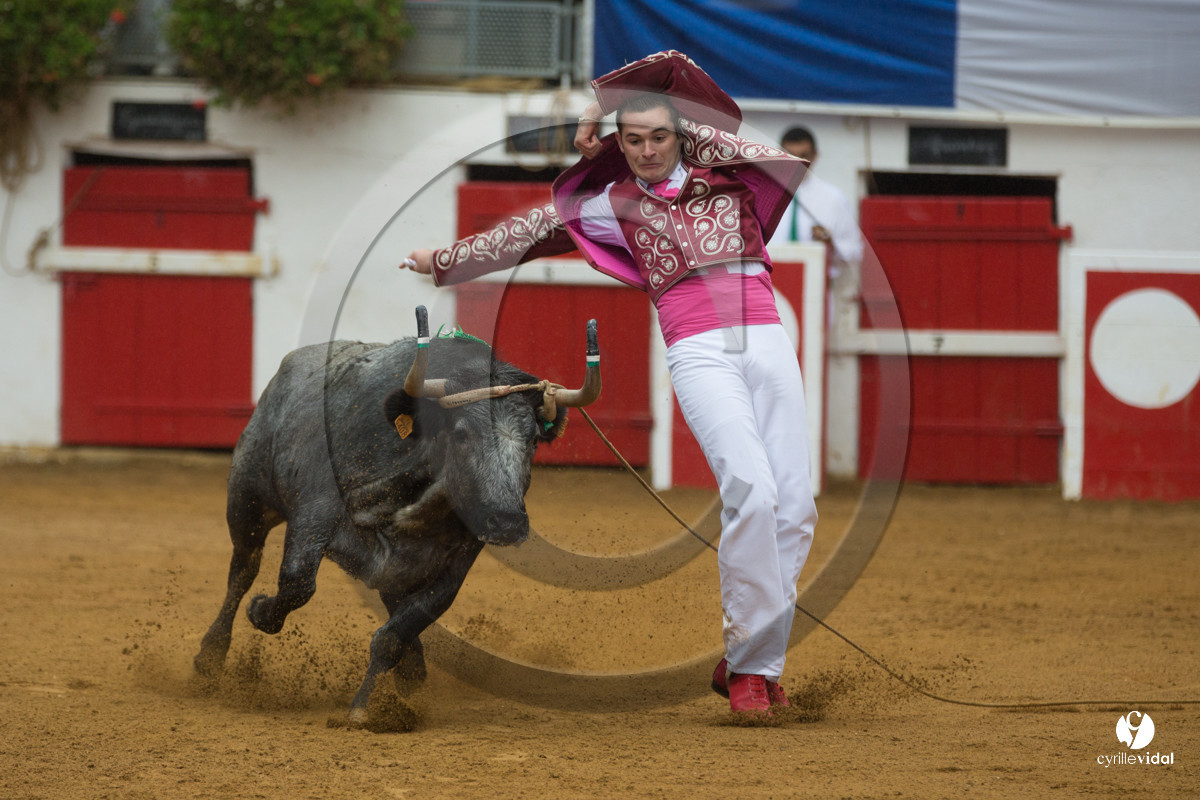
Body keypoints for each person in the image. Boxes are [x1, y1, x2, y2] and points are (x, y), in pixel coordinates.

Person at [402, 51, 817, 716]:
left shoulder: (729, 172)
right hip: (698, 348)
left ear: (681, 134)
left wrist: (603, 108)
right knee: (753, 491)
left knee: (796, 506)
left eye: (659, 136)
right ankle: (751, 671)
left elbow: (712, 99)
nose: (648, 150)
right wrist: (444, 262)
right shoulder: (614, 203)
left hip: (767, 338)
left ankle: (749, 656)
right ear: (619, 147)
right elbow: (533, 231)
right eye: (634, 139)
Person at [769, 126, 862, 280]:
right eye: (790, 155)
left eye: (803, 156)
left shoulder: (834, 198)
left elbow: (854, 251)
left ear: (815, 156)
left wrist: (831, 245)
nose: (797, 163)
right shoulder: (761, 194)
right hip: (770, 287)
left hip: (814, 289)